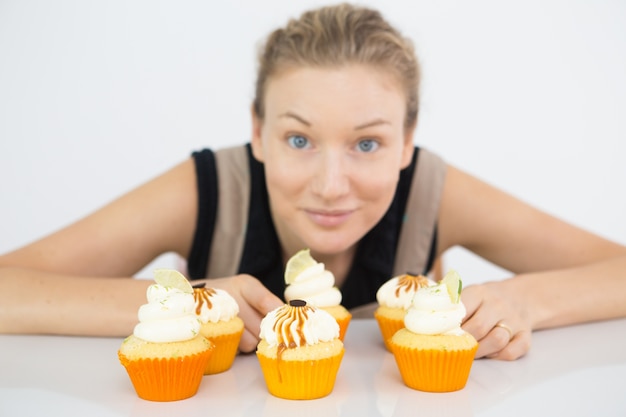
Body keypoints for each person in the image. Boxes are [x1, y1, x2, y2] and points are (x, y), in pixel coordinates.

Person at [1, 3, 625, 361]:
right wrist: (180, 305)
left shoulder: (433, 191)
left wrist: (529, 301)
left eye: (368, 143)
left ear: (408, 142)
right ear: (258, 131)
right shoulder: (211, 188)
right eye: (299, 139)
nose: (332, 185)